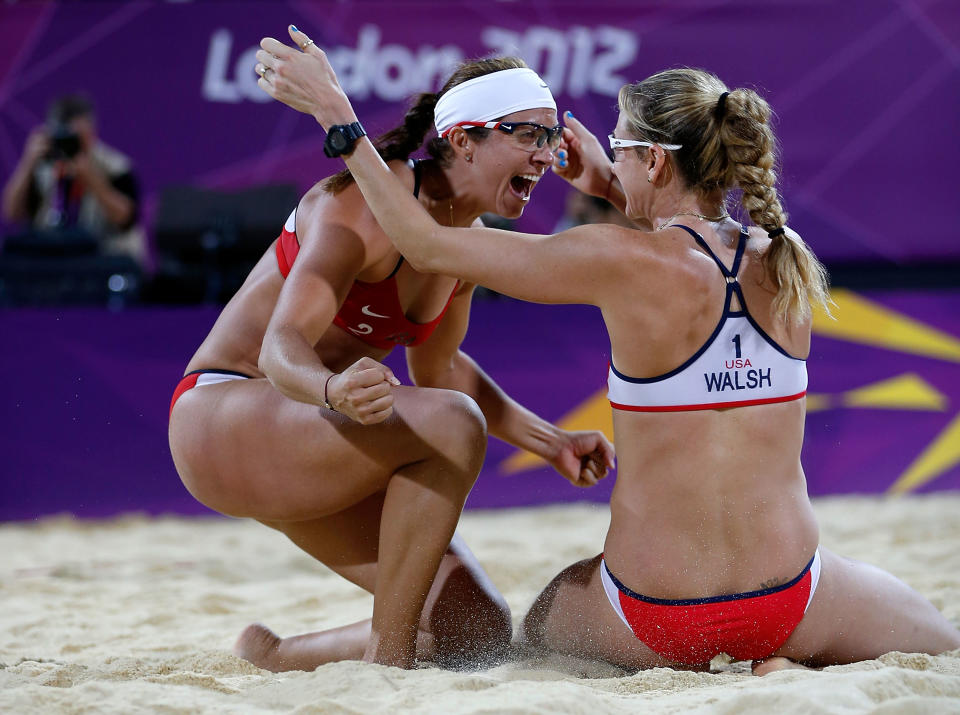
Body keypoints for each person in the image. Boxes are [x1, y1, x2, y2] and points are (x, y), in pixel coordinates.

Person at [256, 26, 960, 673]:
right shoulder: (789, 258)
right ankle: (777, 659)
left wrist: (341, 122)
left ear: (653, 160)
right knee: (942, 641)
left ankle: (297, 651)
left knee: (514, 631)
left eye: (619, 151)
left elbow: (426, 242)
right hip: (792, 602)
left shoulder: (615, 259)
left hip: (656, 617)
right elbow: (693, 250)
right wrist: (610, 180)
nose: (601, 166)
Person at [168, 53, 614, 672]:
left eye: (550, 135)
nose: (546, 155)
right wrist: (332, 389)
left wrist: (549, 440)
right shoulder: (367, 201)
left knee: (474, 630)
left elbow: (442, 374)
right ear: (463, 139)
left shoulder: (461, 243)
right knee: (454, 426)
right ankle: (390, 660)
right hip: (226, 414)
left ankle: (274, 657)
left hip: (314, 432)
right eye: (529, 134)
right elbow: (280, 348)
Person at [1, 94, 146, 270]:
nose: (70, 144)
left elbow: (125, 218)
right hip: (51, 260)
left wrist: (91, 178)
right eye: (64, 137)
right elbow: (11, 212)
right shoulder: (43, 169)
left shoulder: (115, 167)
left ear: (91, 133)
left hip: (102, 260)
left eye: (77, 137)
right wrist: (28, 162)